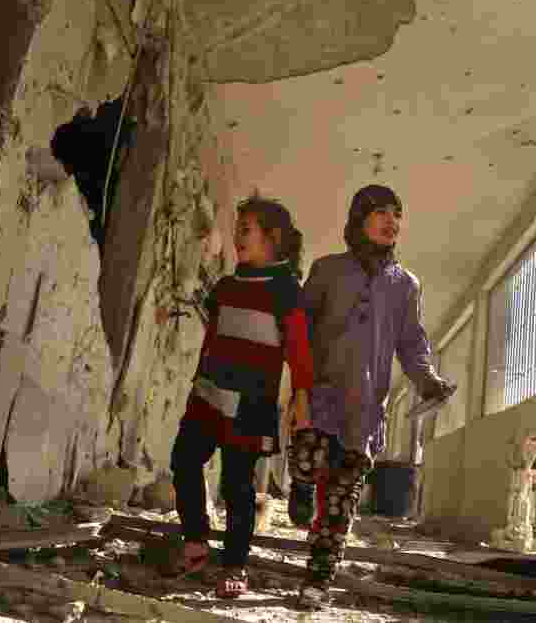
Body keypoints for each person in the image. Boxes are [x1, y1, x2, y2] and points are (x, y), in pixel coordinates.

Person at [286, 184, 454, 609]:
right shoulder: (327, 270)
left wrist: (428, 379)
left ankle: (317, 580)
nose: (391, 221)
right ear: (359, 218)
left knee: (340, 505)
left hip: (364, 411)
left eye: (397, 214)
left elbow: (412, 343)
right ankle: (303, 484)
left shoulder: (406, 286)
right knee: (307, 463)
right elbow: (300, 328)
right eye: (381, 212)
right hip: (320, 396)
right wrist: (297, 387)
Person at [170, 193, 313, 599]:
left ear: (274, 238)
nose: (237, 238)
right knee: (183, 460)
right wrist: (197, 382)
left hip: (250, 405)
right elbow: (211, 339)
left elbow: (299, 351)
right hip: (208, 397)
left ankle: (234, 565)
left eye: (245, 230)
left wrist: (301, 401)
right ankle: (195, 541)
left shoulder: (287, 290)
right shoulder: (226, 286)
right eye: (236, 230)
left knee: (237, 486)